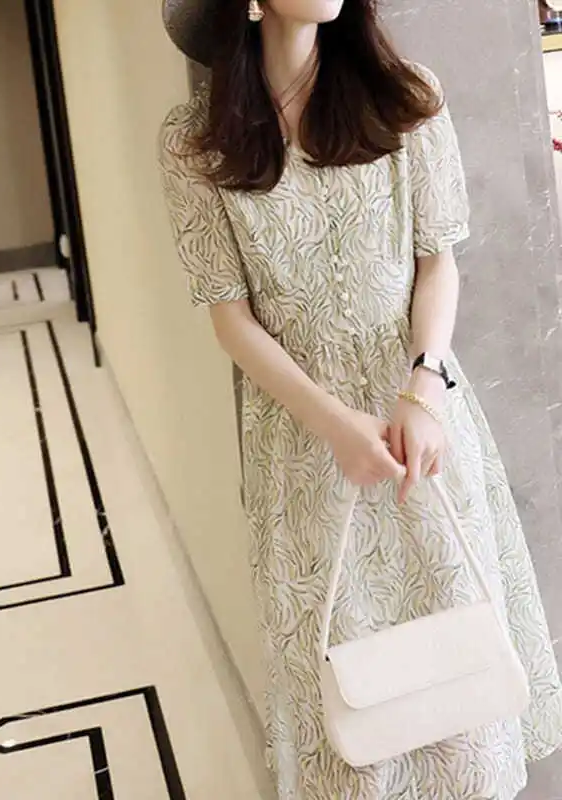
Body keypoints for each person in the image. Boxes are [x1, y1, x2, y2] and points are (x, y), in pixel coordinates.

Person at [157, 1, 562, 797]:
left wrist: (424, 385)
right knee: (350, 704)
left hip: (419, 421)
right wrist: (334, 424)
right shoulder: (195, 141)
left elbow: (437, 263)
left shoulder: (406, 98)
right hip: (301, 447)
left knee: (461, 678)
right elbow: (231, 319)